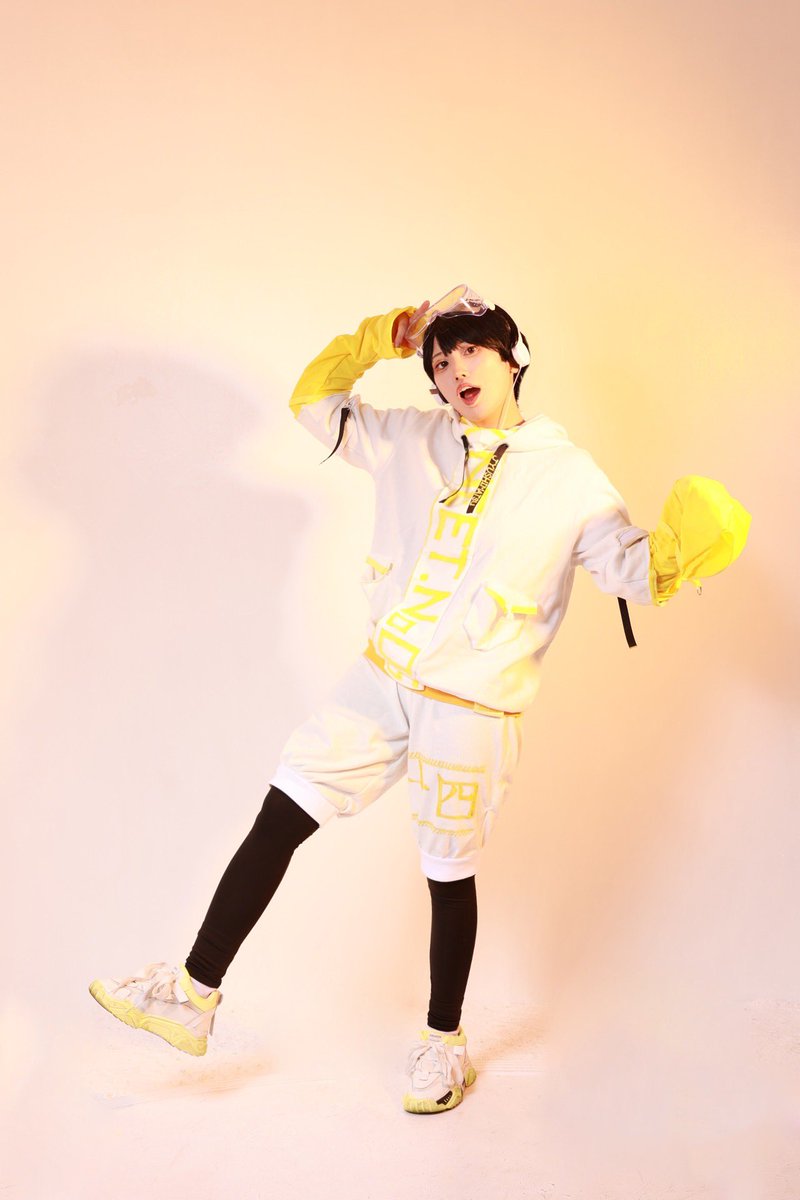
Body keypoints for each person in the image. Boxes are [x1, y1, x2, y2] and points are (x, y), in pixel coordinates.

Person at [89, 286, 751, 1115]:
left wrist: (685, 545)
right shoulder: (411, 436)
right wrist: (388, 335)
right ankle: (193, 993)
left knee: (446, 872)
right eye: (439, 360)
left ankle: (444, 1043)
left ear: (512, 359)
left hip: (470, 707)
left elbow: (632, 572)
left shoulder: (569, 476)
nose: (453, 368)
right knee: (282, 809)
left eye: (470, 350)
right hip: (383, 678)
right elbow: (313, 400)